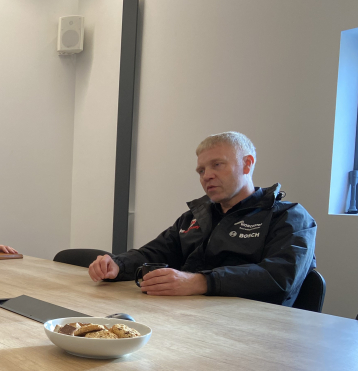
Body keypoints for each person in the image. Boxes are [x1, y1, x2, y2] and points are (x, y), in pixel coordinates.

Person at [88, 131, 316, 306]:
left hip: (256, 331)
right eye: (201, 171)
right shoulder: (195, 217)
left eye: (217, 165)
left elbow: (280, 277)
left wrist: (199, 282)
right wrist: (117, 265)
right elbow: (154, 253)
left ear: (247, 164)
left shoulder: (288, 217)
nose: (207, 176)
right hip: (190, 319)